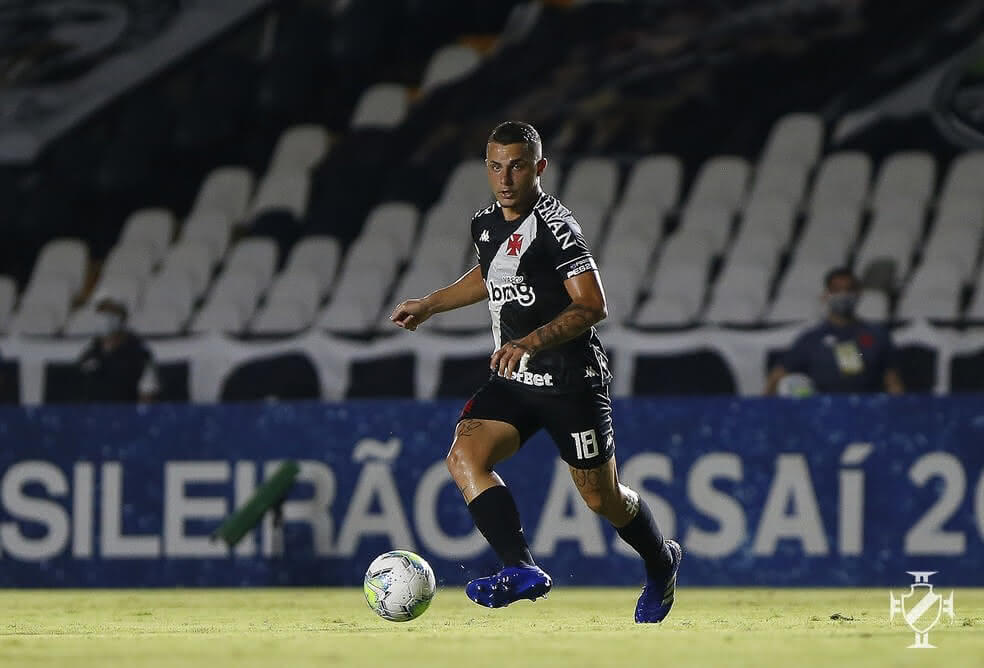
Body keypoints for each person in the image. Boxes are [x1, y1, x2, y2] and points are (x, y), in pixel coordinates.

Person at [390, 121, 681, 622]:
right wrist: (432, 304)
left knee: (601, 498)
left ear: (539, 168)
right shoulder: (485, 222)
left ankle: (661, 561)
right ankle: (520, 567)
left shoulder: (556, 226)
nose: (506, 178)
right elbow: (490, 272)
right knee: (464, 456)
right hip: (515, 381)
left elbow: (592, 305)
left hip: (572, 385)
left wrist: (528, 341)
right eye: (496, 167)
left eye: (518, 166)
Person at [765, 267, 905, 395]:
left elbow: (893, 382)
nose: (843, 294)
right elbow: (776, 378)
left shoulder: (878, 335)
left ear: (859, 293)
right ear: (826, 295)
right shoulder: (811, 339)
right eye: (837, 290)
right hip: (822, 413)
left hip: (867, 411)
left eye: (849, 289)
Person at [77, 297, 160, 402]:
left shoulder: (138, 351)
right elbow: (81, 384)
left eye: (109, 315)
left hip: (125, 413)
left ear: (121, 319)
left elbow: (147, 392)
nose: (104, 320)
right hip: (94, 413)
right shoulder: (93, 350)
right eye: (101, 314)